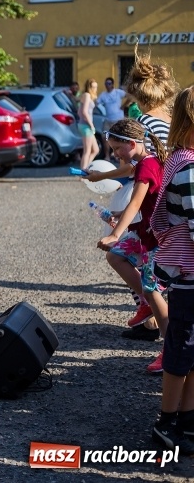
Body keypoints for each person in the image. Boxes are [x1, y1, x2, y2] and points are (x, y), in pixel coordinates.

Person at [95, 119, 168, 374]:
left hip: (155, 236)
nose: (115, 155)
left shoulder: (147, 165)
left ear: (132, 143)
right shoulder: (144, 162)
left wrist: (115, 233)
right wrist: (117, 213)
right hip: (146, 230)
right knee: (116, 257)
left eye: (117, 149)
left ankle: (170, 351)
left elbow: (136, 202)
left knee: (152, 289)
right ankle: (148, 302)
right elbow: (139, 204)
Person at [148, 87, 194, 455]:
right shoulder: (189, 167)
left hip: (188, 274)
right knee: (180, 351)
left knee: (191, 351)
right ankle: (167, 423)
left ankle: (188, 418)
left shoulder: (182, 157)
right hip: (190, 277)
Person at [78, 78, 99, 171]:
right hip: (86, 126)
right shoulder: (86, 95)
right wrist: (91, 125)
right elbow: (84, 112)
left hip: (85, 125)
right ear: (89, 87)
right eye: (93, 87)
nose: (95, 89)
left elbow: (79, 111)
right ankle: (83, 171)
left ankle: (85, 169)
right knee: (87, 151)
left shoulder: (88, 96)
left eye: (96, 87)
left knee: (95, 150)